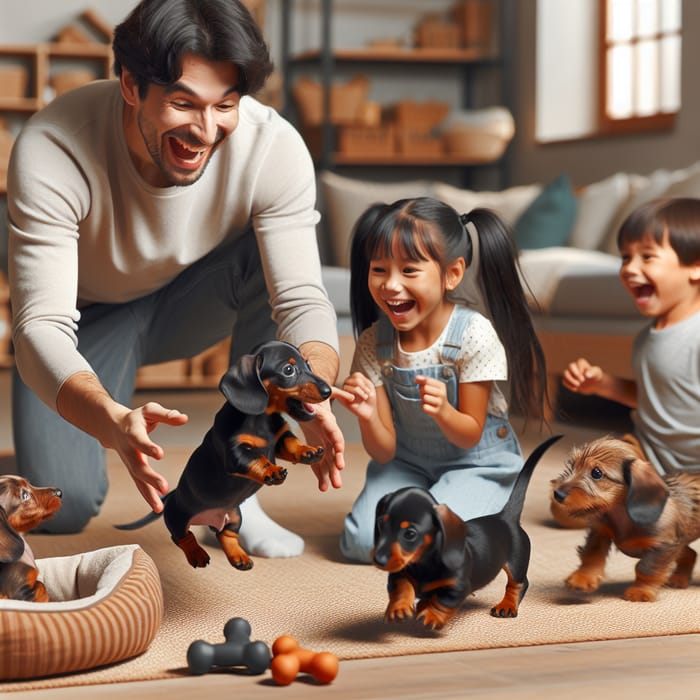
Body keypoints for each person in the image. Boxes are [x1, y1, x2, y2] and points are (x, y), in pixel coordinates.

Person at [4, 0, 347, 554]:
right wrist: (112, 419)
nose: (205, 130)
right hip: (86, 320)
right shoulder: (53, 147)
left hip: (190, 301)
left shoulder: (272, 147)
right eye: (184, 103)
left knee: (270, 259)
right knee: (66, 511)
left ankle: (239, 496)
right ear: (132, 85)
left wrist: (311, 396)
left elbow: (303, 298)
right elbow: (40, 325)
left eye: (225, 105)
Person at [333, 197, 547, 562]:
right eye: (380, 269)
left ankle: (487, 497)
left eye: (410, 270)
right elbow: (383, 450)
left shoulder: (473, 334)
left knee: (443, 537)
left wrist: (445, 410)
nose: (390, 285)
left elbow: (470, 432)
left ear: (452, 273)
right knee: (359, 542)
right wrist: (368, 416)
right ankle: (441, 496)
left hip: (475, 462)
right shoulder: (374, 342)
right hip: (407, 462)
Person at [561, 197, 700, 477]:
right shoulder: (646, 338)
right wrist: (601, 384)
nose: (629, 269)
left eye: (647, 256)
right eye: (625, 257)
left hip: (694, 469)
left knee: (672, 516)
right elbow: (653, 398)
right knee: (570, 500)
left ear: (696, 267)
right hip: (648, 454)